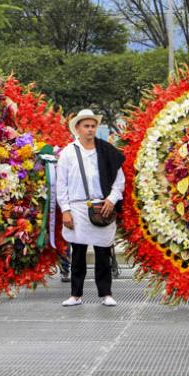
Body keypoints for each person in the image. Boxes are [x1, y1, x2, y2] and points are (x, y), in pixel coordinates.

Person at [56, 109, 125, 307]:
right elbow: (62, 184)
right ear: (77, 128)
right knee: (78, 252)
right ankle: (76, 294)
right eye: (86, 126)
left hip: (102, 206)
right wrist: (66, 210)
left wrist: (111, 199)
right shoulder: (68, 153)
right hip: (77, 208)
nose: (90, 129)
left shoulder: (106, 150)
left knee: (103, 252)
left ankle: (106, 293)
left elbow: (119, 180)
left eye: (93, 126)